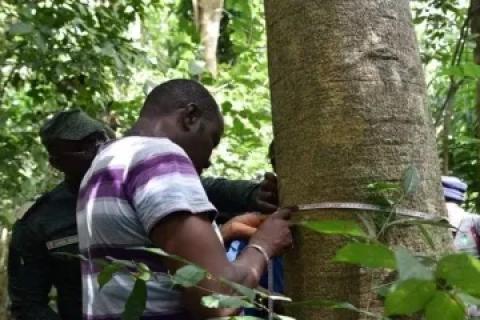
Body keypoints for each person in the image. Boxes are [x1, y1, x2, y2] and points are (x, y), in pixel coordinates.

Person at [8, 108, 281, 320]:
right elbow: (28, 304)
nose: (97, 149)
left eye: (101, 139)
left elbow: (210, 192)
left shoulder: (143, 178)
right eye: (82, 146)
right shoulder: (40, 222)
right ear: (57, 162)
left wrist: (256, 195)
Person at [77, 79, 293, 319]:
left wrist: (222, 233)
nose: (209, 160)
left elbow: (150, 262)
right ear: (190, 116)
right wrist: (263, 246)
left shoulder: (105, 162)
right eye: (212, 140)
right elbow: (217, 301)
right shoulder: (161, 158)